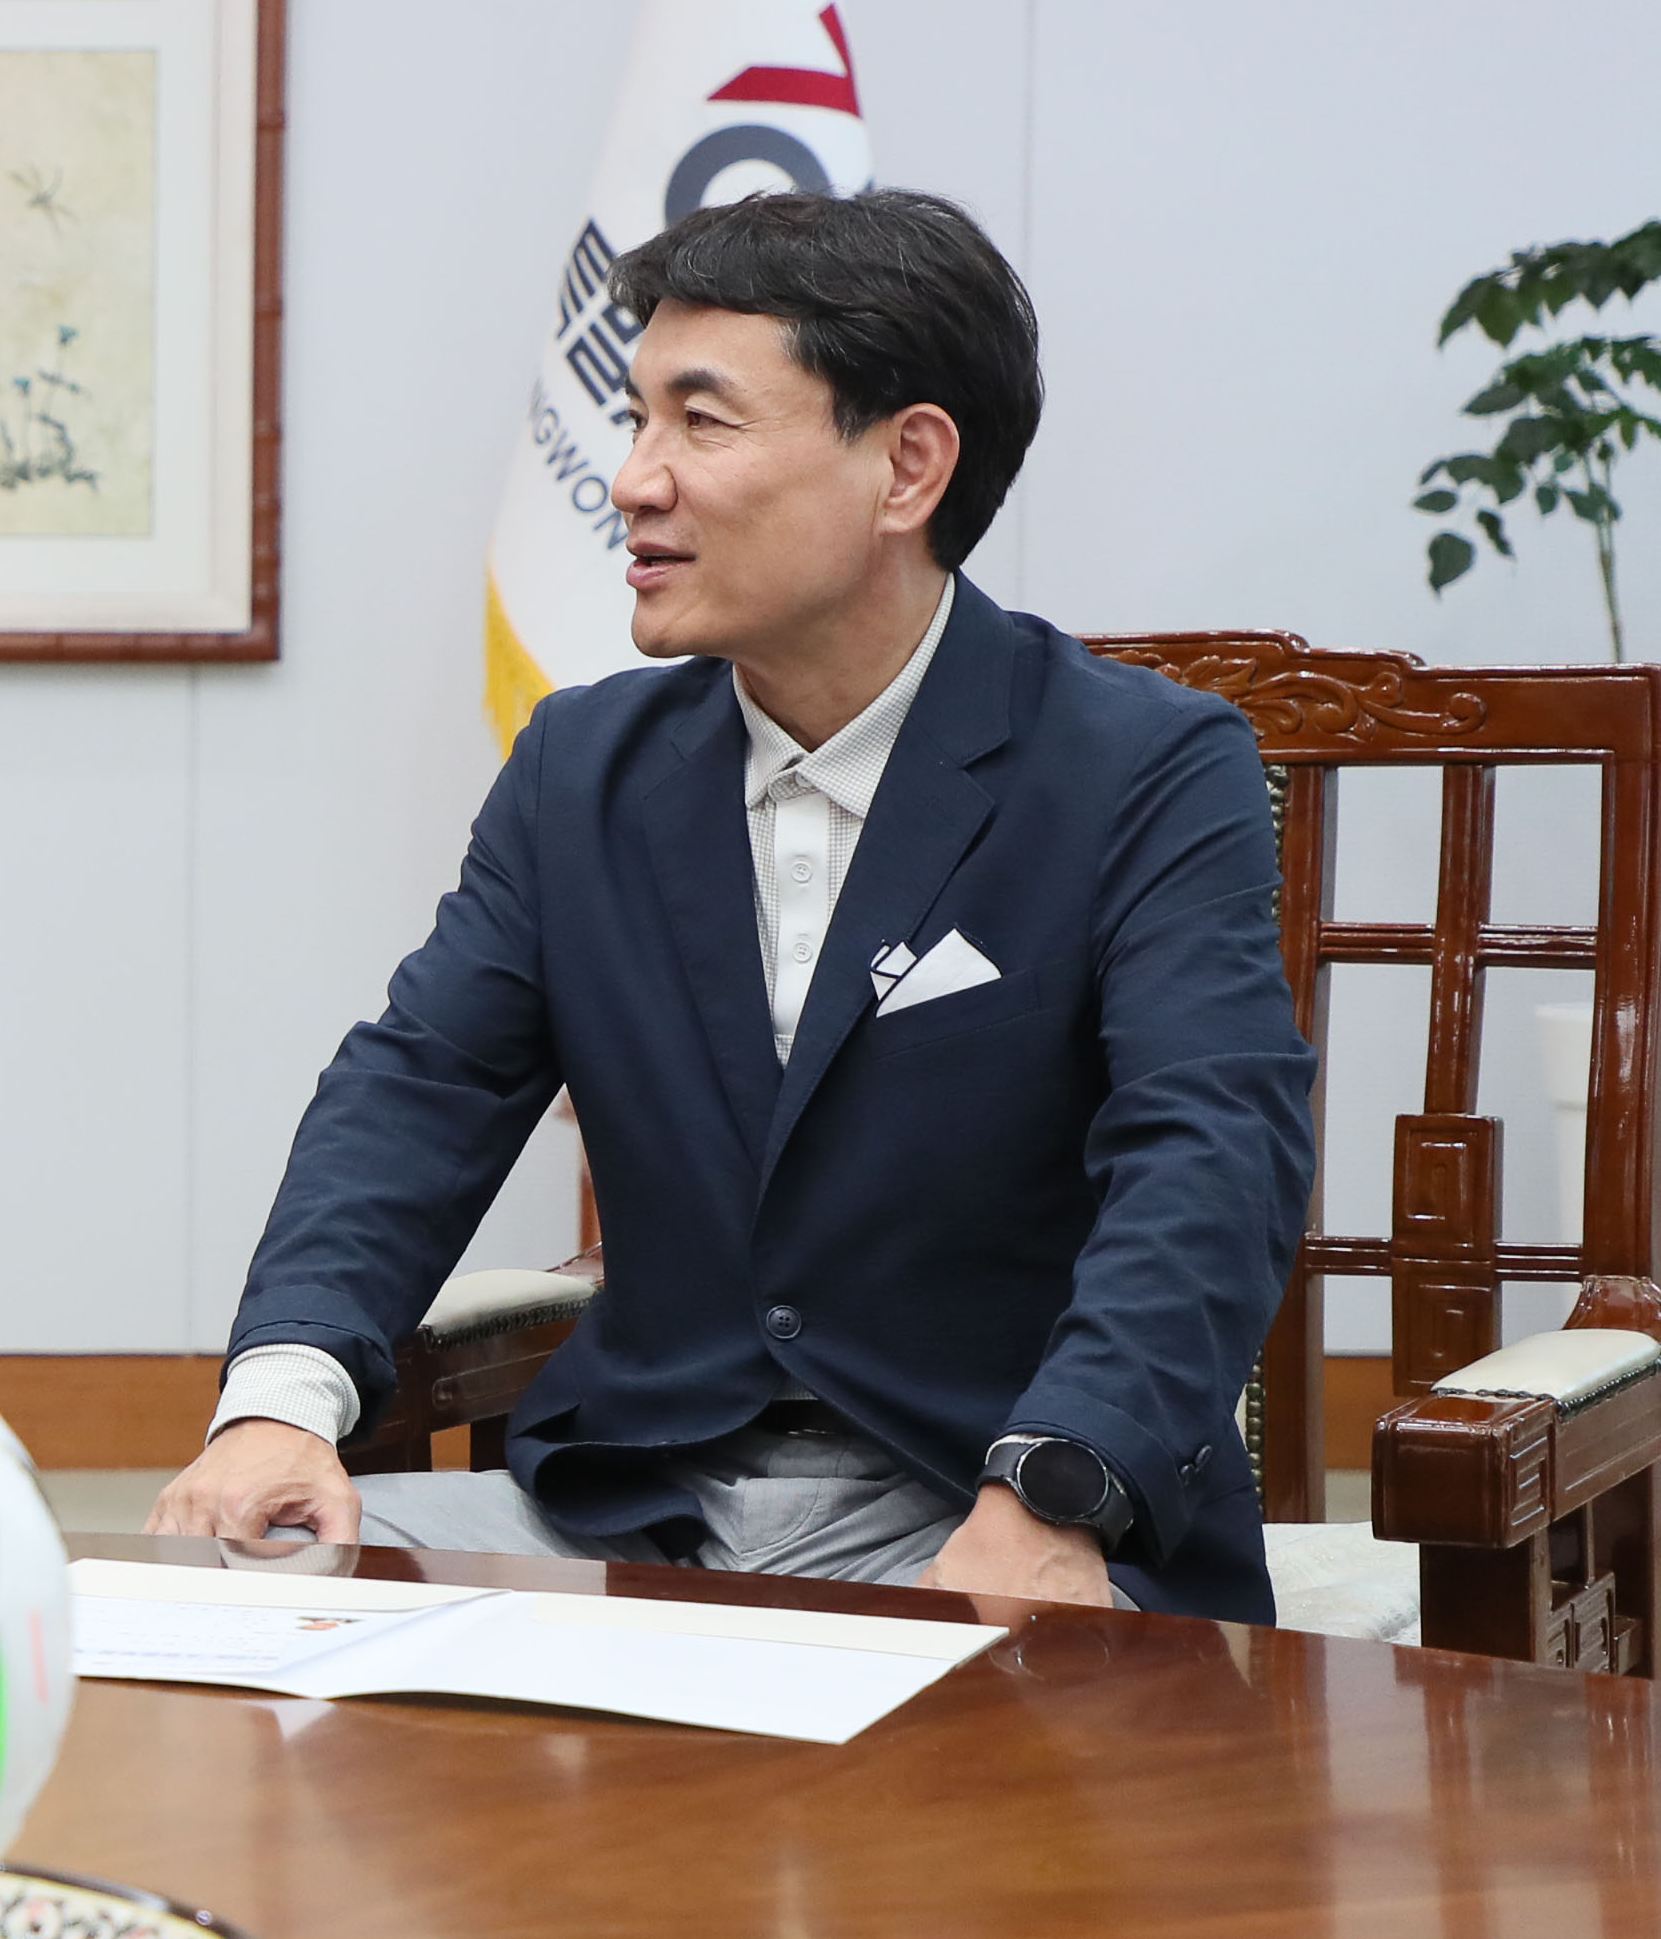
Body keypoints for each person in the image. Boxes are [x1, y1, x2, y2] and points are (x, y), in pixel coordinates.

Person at [148, 188, 1312, 1619]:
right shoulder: (582, 769)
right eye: (636, 419)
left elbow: (1209, 1149)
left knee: (999, 1745)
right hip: (634, 1510)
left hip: (991, 1511)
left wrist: (1057, 1490)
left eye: (700, 423)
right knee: (227, 1603)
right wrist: (279, 1405)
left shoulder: (1141, 766)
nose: (634, 481)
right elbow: (420, 1090)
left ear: (907, 467)